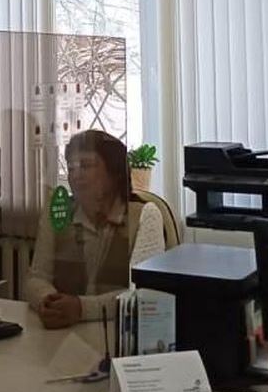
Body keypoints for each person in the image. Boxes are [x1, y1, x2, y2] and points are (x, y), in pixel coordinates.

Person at [24, 130, 165, 329]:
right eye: (71, 167)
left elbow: (142, 293)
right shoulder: (59, 212)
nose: (76, 175)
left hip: (118, 333)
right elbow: (36, 278)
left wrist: (81, 309)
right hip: (60, 331)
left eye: (86, 166)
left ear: (114, 173)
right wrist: (49, 302)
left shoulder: (145, 215)